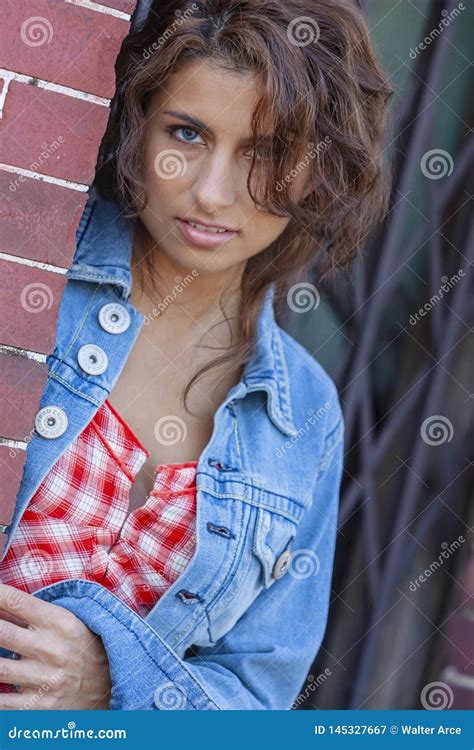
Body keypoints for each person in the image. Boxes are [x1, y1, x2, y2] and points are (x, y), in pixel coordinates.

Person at [0, 0, 392, 710]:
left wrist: (112, 681)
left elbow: (255, 697)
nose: (212, 193)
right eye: (187, 133)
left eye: (265, 153)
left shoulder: (303, 414)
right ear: (138, 125)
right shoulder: (29, 269)